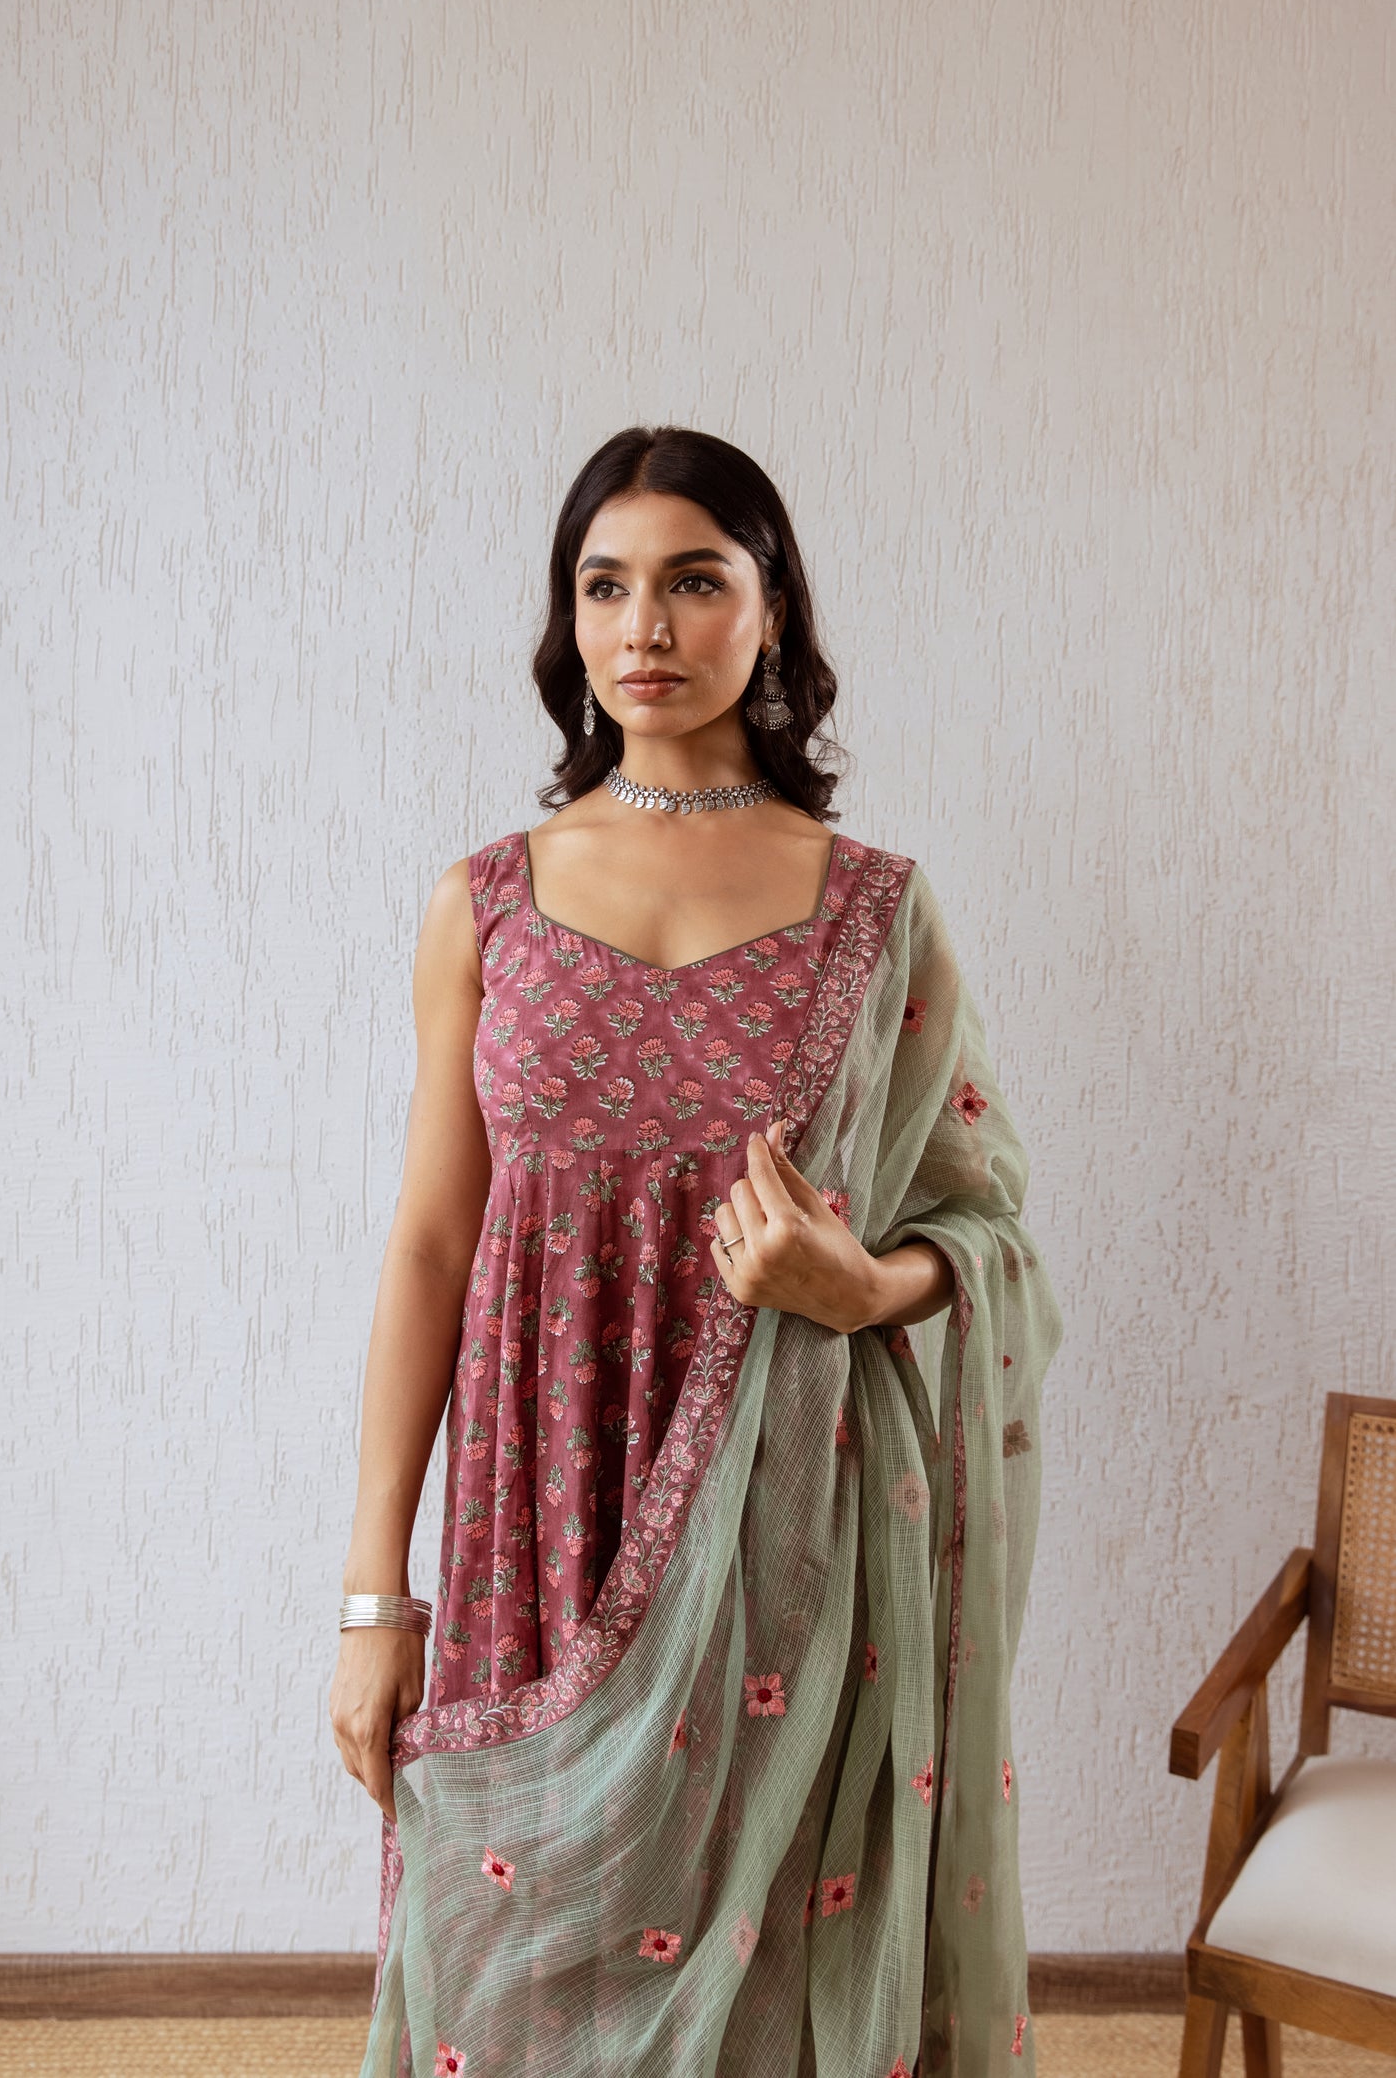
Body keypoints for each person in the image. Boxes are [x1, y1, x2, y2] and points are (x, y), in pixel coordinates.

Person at [329, 425, 1063, 2078]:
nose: (643, 626)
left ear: (772, 607)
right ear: (566, 621)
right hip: (536, 1499)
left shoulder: (874, 907)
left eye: (693, 580)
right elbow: (433, 1244)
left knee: (772, 1937)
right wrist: (376, 1596)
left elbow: (983, 1218)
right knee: (523, 1935)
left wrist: (863, 1286)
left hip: (786, 1500)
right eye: (603, 586)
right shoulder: (484, 901)